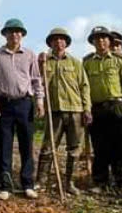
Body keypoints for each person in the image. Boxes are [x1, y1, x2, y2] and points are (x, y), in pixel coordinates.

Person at [0, 18, 44, 200]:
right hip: (4, 104)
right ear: (5, 34)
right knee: (4, 145)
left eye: (18, 32)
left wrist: (40, 101)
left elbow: (36, 80)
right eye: (11, 31)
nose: (14, 35)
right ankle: (6, 185)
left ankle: (27, 183)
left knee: (26, 144)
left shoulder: (29, 55)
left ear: (22, 34)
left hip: (25, 103)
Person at [83, 27, 122, 198]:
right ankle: (101, 181)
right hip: (96, 108)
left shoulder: (118, 60)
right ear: (93, 42)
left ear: (109, 41)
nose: (100, 41)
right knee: (100, 146)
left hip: (117, 106)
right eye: (97, 39)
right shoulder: (87, 62)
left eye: (104, 38)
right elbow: (83, 86)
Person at [38, 27, 92, 196]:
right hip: (54, 111)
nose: (58, 42)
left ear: (66, 43)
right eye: (55, 40)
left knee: (74, 148)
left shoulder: (75, 62)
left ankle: (69, 182)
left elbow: (84, 86)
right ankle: (41, 182)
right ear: (50, 43)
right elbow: (38, 83)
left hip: (75, 110)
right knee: (48, 147)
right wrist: (40, 64)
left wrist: (86, 109)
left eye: (62, 40)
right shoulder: (45, 62)